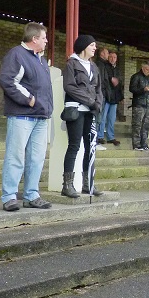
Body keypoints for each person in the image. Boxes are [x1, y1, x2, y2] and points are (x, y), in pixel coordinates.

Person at [0, 22, 53, 211]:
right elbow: (7, 80)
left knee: (36, 158)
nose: (47, 41)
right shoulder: (17, 55)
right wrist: (29, 99)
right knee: (16, 156)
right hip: (22, 115)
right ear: (34, 39)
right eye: (44, 38)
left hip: (40, 117)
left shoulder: (41, 59)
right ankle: (9, 196)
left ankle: (31, 195)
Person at [62, 34, 105, 198]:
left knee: (90, 147)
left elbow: (99, 89)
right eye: (92, 45)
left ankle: (88, 184)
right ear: (83, 46)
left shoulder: (94, 67)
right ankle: (67, 185)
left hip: (90, 111)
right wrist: (89, 101)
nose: (95, 48)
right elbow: (70, 87)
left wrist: (97, 104)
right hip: (75, 110)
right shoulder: (71, 64)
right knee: (74, 146)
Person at [97, 48, 122, 146]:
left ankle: (110, 137)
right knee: (102, 117)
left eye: (114, 57)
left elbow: (120, 82)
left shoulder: (117, 69)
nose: (112, 58)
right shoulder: (104, 66)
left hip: (114, 97)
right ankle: (100, 136)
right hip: (106, 95)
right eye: (110, 56)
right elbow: (104, 81)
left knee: (112, 118)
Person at [129, 61, 149, 151]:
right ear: (142, 68)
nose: (148, 71)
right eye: (147, 69)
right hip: (138, 104)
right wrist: (143, 89)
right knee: (137, 125)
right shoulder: (136, 76)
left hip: (146, 104)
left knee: (146, 126)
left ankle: (144, 144)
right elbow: (132, 89)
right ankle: (136, 145)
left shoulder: (148, 78)